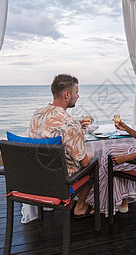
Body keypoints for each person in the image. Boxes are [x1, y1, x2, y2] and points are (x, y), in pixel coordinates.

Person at [85, 80, 136, 216]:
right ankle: (121, 199)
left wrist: (125, 158)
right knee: (109, 153)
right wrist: (125, 127)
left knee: (109, 164)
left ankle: (106, 203)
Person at [28, 74, 94, 218]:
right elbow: (84, 163)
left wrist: (75, 125)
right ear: (67, 94)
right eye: (76, 92)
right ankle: (80, 207)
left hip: (36, 177)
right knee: (94, 163)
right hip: (61, 182)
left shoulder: (37, 113)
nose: (78, 96)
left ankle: (70, 204)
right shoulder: (71, 124)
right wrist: (91, 156)